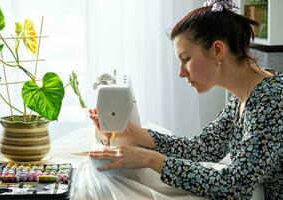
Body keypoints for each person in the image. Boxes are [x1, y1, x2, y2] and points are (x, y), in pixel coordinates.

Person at [88, 0, 283, 199]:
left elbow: (235, 184)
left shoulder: (272, 100)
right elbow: (204, 148)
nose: (181, 72)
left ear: (217, 50)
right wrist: (133, 132)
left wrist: (150, 159)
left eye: (186, 59)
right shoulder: (243, 97)